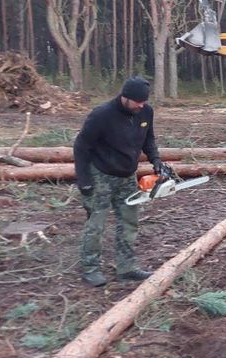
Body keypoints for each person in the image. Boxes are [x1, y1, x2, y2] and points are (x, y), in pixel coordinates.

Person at [73, 76, 171, 287]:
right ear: (125, 97)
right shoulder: (102, 115)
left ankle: (126, 267)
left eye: (143, 101)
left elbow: (148, 139)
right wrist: (84, 180)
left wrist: (156, 161)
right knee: (96, 224)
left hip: (127, 175)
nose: (141, 104)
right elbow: (81, 147)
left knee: (129, 222)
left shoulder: (146, 112)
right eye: (137, 101)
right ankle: (90, 268)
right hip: (101, 174)